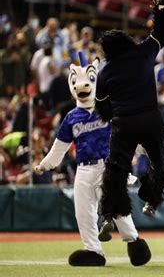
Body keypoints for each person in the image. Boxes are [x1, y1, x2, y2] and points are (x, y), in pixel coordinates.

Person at [34, 54, 150, 266]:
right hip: (83, 169)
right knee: (83, 212)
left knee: (117, 208)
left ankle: (134, 242)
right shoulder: (71, 117)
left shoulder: (107, 107)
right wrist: (45, 164)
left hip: (108, 166)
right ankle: (93, 250)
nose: (81, 86)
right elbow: (59, 146)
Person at [95, 0, 164, 232]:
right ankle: (151, 197)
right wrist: (162, 9)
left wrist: (115, 116)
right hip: (150, 118)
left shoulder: (105, 72)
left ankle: (109, 214)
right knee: (160, 161)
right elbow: (162, 32)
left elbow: (101, 106)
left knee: (116, 169)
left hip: (123, 123)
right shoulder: (143, 52)